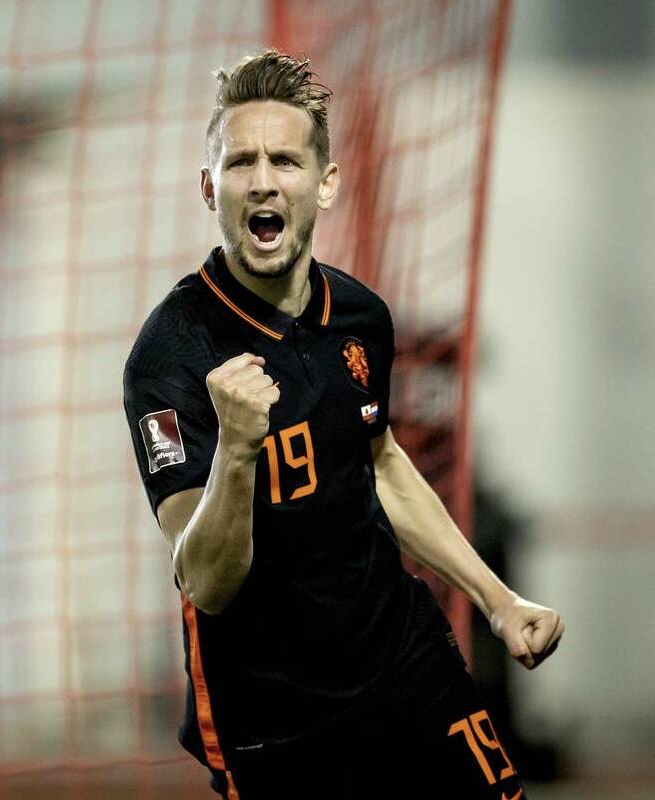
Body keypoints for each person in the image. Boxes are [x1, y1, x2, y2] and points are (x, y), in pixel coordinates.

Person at [121, 50, 563, 799]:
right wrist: (234, 448)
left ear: (324, 184)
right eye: (240, 163)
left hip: (403, 663)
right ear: (210, 188)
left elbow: (383, 464)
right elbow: (206, 581)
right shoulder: (168, 358)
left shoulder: (362, 318)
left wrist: (496, 599)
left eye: (286, 160)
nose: (263, 179)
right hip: (274, 723)